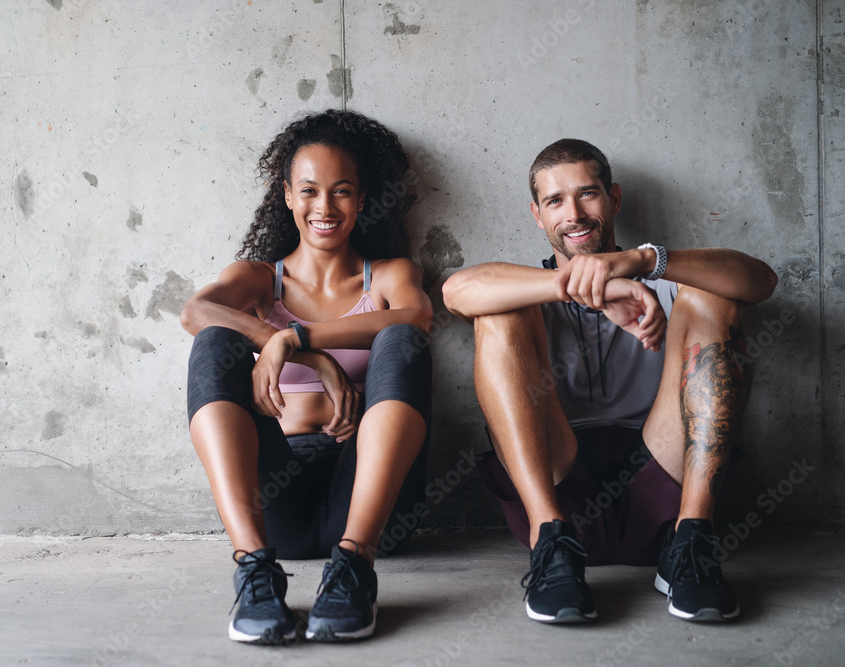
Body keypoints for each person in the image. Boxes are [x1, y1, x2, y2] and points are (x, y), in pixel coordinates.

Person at [443, 138, 777, 624]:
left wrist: (639, 263)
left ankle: (693, 542)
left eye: (587, 194)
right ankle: (551, 546)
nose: (573, 214)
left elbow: (761, 282)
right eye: (555, 201)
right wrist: (583, 290)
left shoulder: (661, 279)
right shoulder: (527, 288)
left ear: (614, 198)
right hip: (560, 490)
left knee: (713, 298)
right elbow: (457, 291)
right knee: (498, 314)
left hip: (662, 494)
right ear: (537, 215)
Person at [180, 109, 433, 644]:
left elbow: (417, 318)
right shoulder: (258, 279)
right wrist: (306, 356)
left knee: (402, 339)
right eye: (310, 191)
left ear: (362, 200)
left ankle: (355, 566)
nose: (325, 206)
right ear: (288, 196)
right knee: (215, 340)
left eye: (341, 191)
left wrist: (299, 339)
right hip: (278, 500)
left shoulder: (389, 275)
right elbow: (195, 312)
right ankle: (253, 571)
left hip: (369, 495)